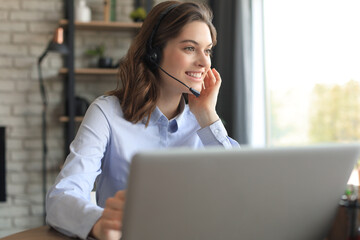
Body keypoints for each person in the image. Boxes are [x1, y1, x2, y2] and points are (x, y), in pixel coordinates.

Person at [46, 1, 240, 239]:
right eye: (190, 48)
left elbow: (239, 190)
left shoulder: (203, 120)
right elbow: (61, 198)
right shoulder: (107, 113)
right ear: (153, 54)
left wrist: (208, 117)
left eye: (208, 50)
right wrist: (99, 223)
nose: (205, 62)